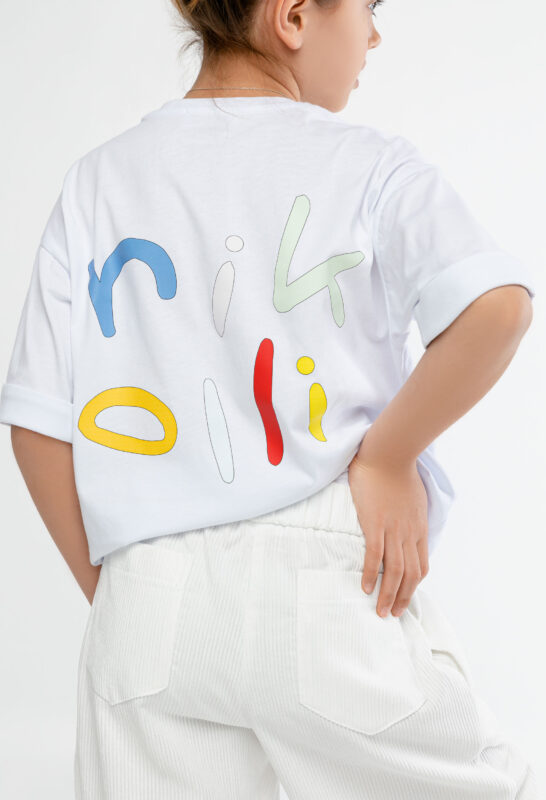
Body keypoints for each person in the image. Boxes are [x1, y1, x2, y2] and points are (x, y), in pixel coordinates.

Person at [0, 0, 539, 797]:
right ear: (292, 18)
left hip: (148, 600)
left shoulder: (97, 181)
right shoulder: (370, 165)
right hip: (319, 588)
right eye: (369, 7)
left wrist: (121, 597)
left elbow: (37, 423)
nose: (375, 34)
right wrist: (387, 459)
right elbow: (496, 307)